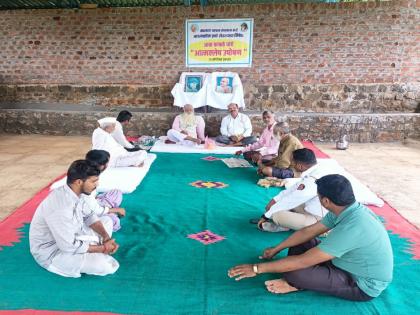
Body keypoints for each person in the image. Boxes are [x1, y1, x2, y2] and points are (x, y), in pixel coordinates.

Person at [228, 174, 393, 301]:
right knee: (301, 241)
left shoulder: (355, 226)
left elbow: (301, 262)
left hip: (360, 283)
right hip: (343, 261)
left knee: (294, 273)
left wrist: (256, 269)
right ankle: (310, 278)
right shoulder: (347, 209)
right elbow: (308, 231)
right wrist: (276, 249)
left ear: (326, 201)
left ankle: (297, 285)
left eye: (318, 197)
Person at [29, 160, 120, 278]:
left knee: (106, 221)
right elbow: (68, 246)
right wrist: (102, 248)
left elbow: (89, 216)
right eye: (93, 181)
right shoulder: (60, 207)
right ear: (79, 182)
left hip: (70, 235)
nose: (97, 185)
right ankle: (93, 249)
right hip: (53, 252)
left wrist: (106, 237)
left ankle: (93, 246)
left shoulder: (77, 192)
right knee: (107, 266)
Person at [257, 148, 327, 232]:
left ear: (300, 165)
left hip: (321, 220)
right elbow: (293, 189)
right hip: (311, 207)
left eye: (292, 162)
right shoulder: (316, 169)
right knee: (278, 205)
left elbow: (292, 199)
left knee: (276, 215)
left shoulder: (312, 180)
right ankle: (290, 222)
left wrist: (266, 216)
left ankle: (286, 226)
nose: (291, 164)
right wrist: (275, 200)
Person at [85, 150, 126, 231]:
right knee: (113, 221)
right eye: (107, 162)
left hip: (96, 202)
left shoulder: (91, 174)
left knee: (116, 192)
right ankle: (110, 210)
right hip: (91, 210)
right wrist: (115, 210)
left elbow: (92, 196)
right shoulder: (86, 179)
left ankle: (108, 208)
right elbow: (91, 209)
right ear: (102, 165)